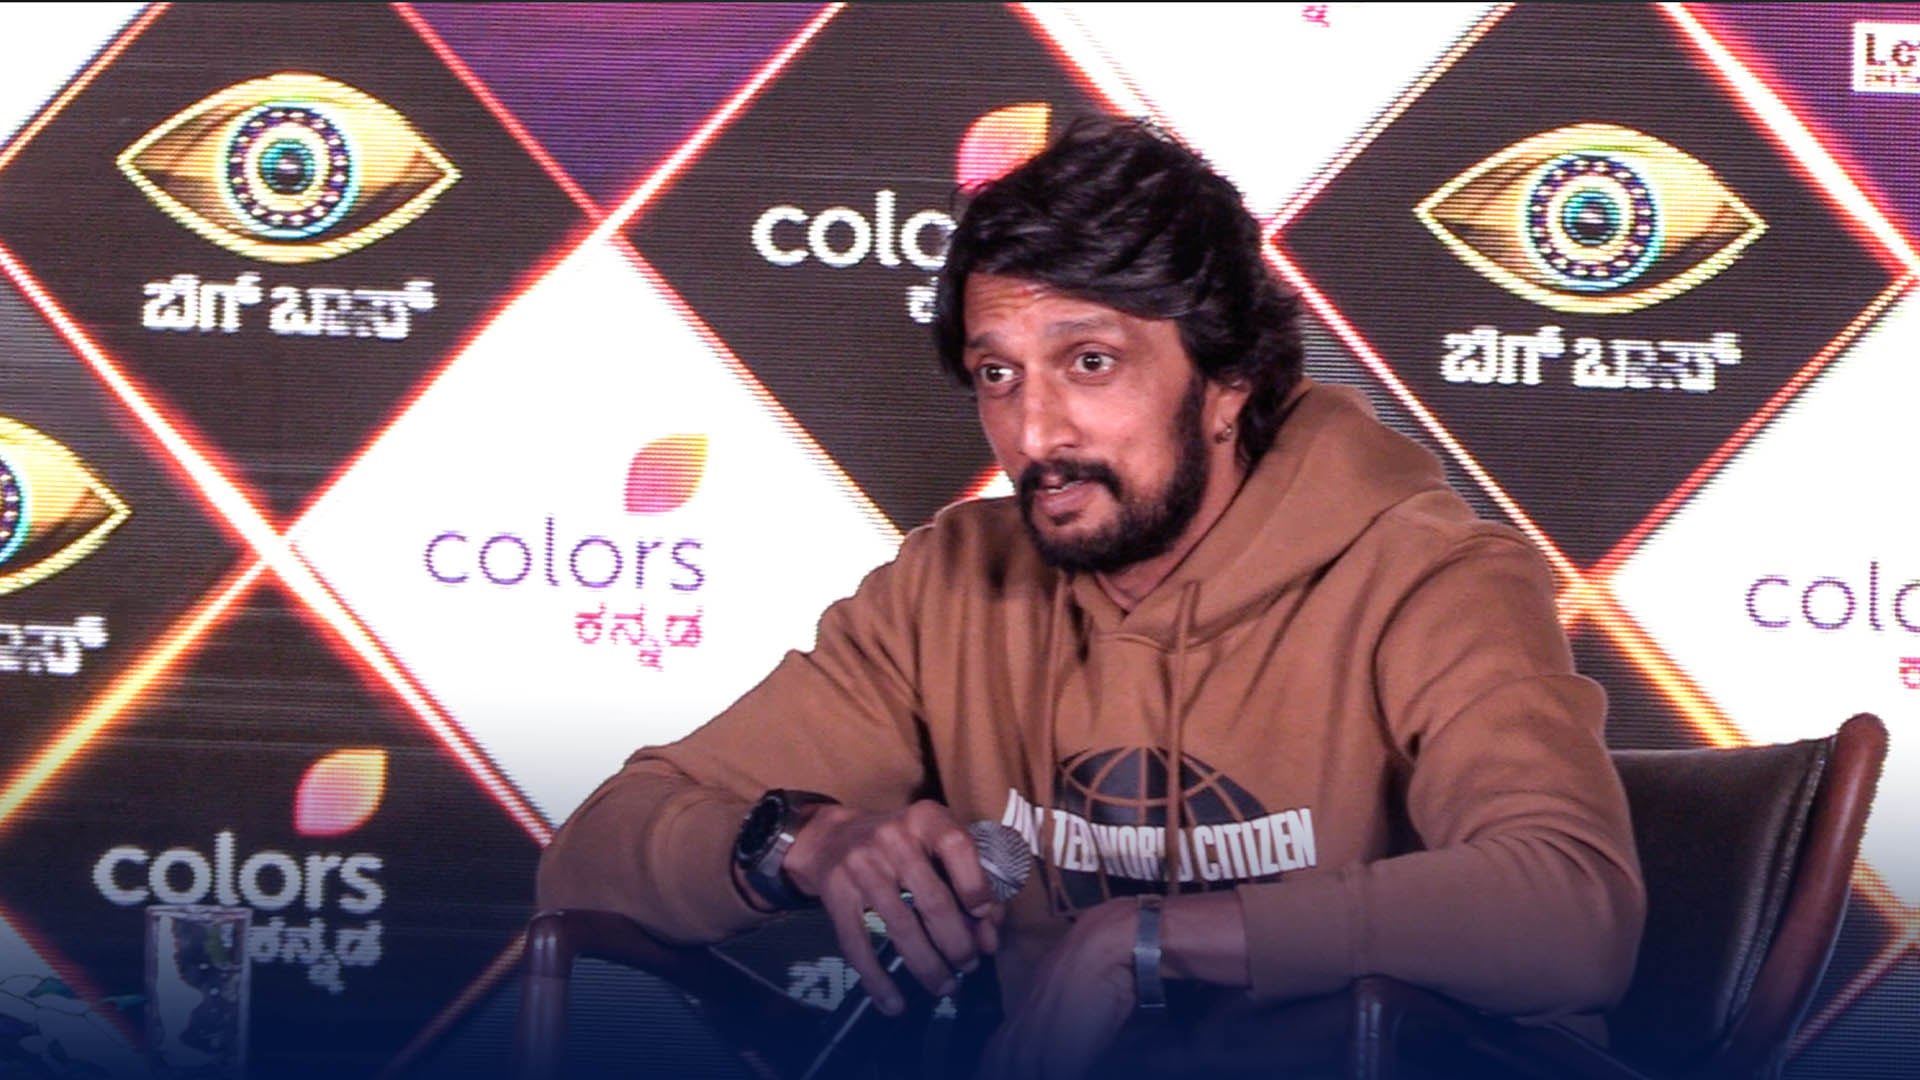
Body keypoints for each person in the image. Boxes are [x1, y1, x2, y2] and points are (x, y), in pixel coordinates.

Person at [537, 118, 1645, 1078]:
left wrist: (1142, 942)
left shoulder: (1433, 578)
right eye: (998, 374)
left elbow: (1568, 910)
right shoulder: (951, 588)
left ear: (1228, 380)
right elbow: (589, 858)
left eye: (1091, 363)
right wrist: (801, 843)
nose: (1035, 434)